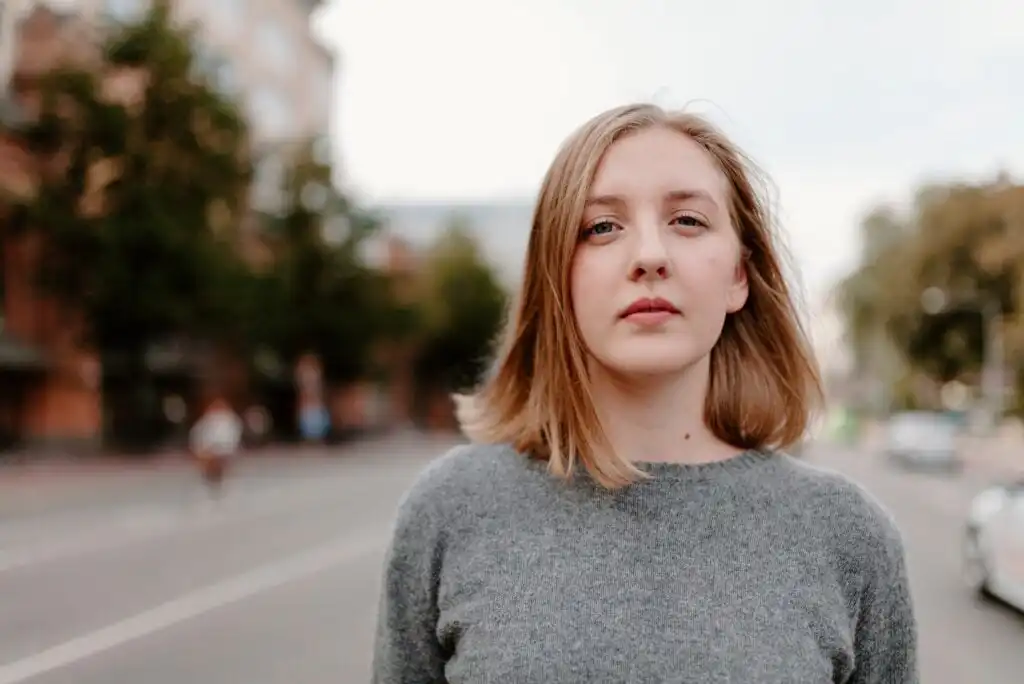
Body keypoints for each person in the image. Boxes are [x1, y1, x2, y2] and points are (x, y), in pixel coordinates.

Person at [371, 103, 918, 683]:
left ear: (738, 276)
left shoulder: (849, 535)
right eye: (602, 227)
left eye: (687, 220)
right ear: (558, 275)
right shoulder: (450, 508)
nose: (650, 255)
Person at [189, 396, 243, 501]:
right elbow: (197, 435)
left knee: (217, 462)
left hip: (222, 449)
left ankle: (219, 486)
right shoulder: (207, 421)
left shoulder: (229, 420)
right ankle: (211, 485)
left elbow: (231, 438)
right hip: (211, 450)